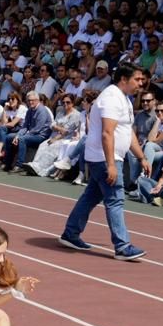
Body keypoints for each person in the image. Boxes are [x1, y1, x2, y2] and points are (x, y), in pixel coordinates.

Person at [57, 63, 149, 260]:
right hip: (104, 158)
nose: (141, 83)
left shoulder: (125, 99)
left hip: (104, 158)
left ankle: (71, 234)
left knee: (90, 196)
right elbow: (107, 133)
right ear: (124, 79)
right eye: (137, 79)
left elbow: (127, 132)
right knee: (115, 200)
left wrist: (141, 157)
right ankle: (123, 246)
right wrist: (111, 165)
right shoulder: (111, 98)